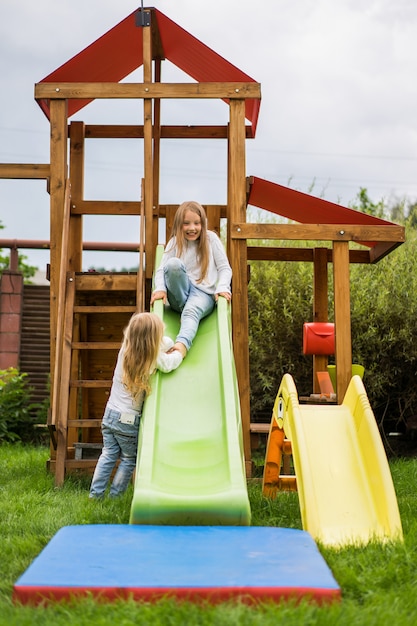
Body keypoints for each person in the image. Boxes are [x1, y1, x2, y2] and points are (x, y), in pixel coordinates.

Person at [89, 312, 183, 499]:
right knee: (128, 459)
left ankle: (95, 495)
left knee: (107, 454)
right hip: (128, 420)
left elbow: (159, 342)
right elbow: (170, 361)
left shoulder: (125, 350)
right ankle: (115, 496)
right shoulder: (153, 358)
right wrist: (180, 350)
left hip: (109, 414)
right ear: (153, 339)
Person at [150, 201, 232, 357]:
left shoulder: (211, 239)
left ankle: (181, 346)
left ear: (203, 224)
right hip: (180, 295)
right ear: (179, 225)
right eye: (186, 223)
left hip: (203, 294)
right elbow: (161, 269)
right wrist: (160, 288)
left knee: (191, 310)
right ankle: (185, 311)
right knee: (173, 265)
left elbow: (224, 268)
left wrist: (222, 287)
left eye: (197, 223)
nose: (192, 228)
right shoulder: (175, 242)